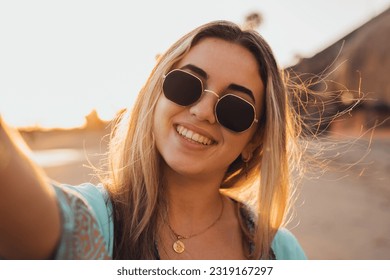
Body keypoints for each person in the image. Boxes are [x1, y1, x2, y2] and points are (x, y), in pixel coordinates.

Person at [0, 20, 307, 260]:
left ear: (256, 140)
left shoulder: (281, 253)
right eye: (186, 85)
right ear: (154, 96)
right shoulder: (96, 218)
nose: (202, 112)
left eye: (235, 108)